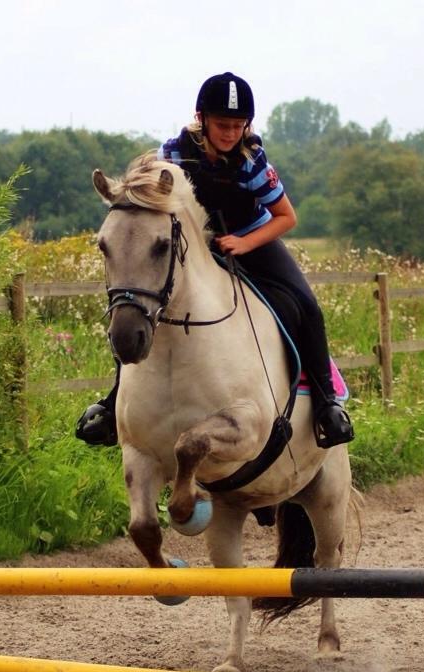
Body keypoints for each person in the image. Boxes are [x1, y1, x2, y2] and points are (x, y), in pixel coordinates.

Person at [77, 71, 354, 449]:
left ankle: (327, 406)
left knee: (306, 306)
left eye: (238, 125)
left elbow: (287, 217)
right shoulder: (172, 153)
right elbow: (145, 200)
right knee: (140, 308)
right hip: (196, 246)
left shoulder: (251, 160)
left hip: (252, 238)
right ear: (201, 118)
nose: (230, 133)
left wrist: (244, 242)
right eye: (223, 124)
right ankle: (113, 406)